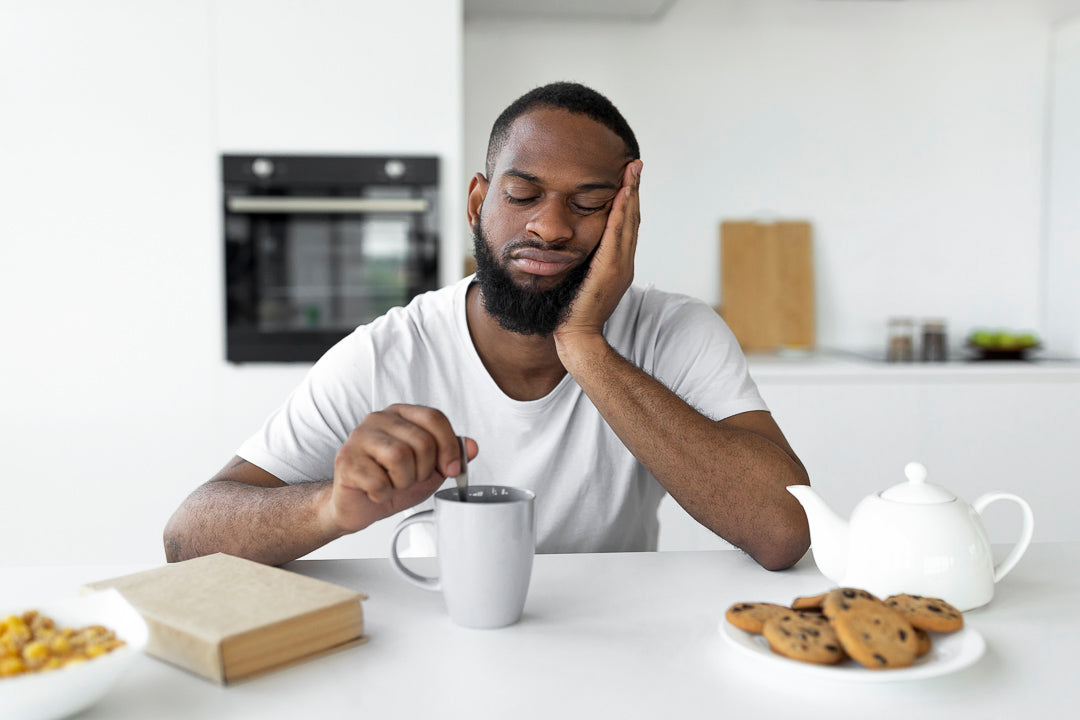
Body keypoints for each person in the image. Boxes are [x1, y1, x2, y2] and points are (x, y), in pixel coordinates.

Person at [164, 82, 811, 570]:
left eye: (588, 205)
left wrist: (585, 346)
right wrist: (329, 506)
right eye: (523, 196)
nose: (551, 227)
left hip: (617, 646)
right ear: (478, 200)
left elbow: (783, 531)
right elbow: (188, 537)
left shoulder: (676, 331)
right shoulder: (389, 351)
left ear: (625, 219)